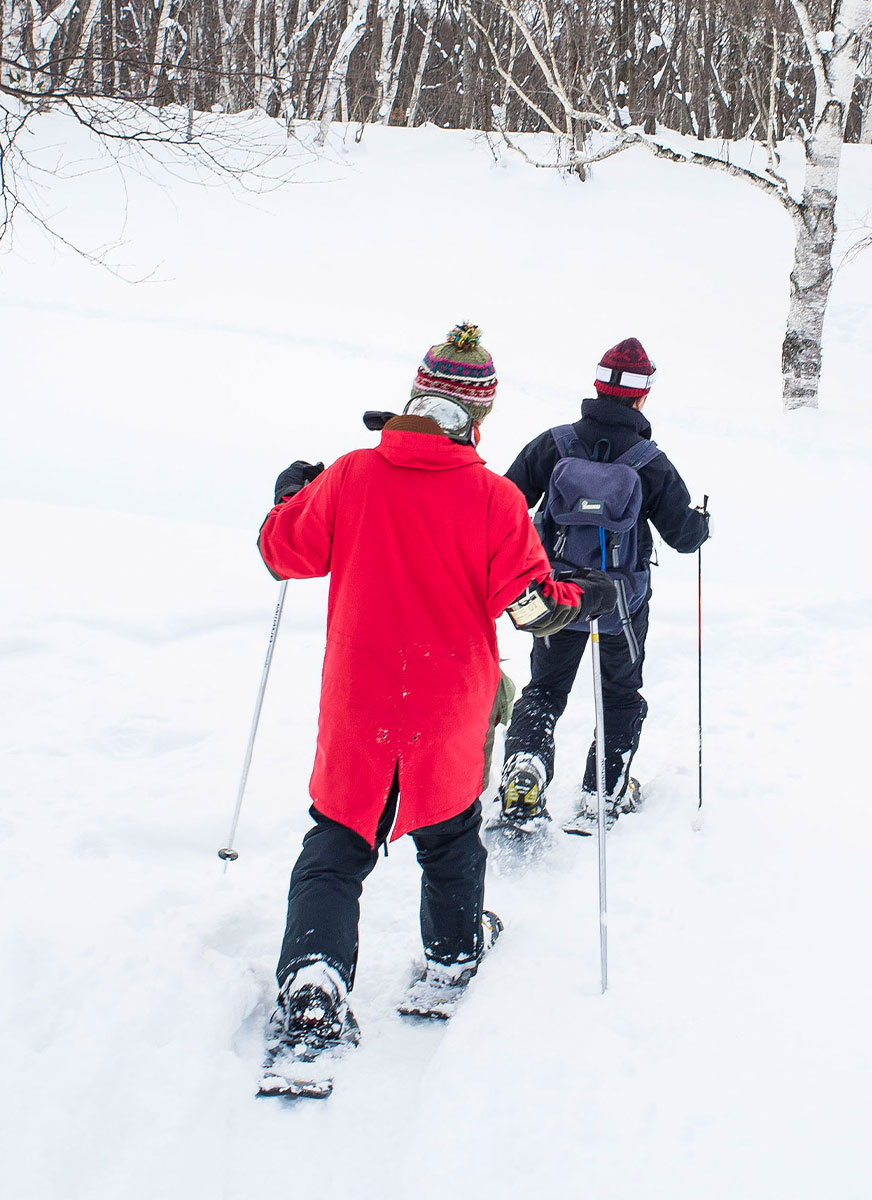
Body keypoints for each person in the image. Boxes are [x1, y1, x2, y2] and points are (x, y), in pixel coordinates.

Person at [255, 323, 609, 1089]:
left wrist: (290, 499)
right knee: (449, 837)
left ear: (414, 396)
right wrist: (579, 596)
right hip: (446, 702)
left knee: (339, 841)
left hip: (359, 699)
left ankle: (314, 979)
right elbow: (528, 610)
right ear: (477, 417)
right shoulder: (491, 498)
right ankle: (451, 957)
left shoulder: (350, 475)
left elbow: (284, 553)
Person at [497, 337, 710, 835]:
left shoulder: (555, 443)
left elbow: (504, 508)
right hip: (620, 601)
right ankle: (603, 792)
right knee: (620, 692)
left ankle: (525, 770)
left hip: (555, 595)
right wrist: (701, 523)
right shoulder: (648, 459)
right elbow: (683, 537)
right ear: (642, 396)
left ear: (596, 386)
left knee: (545, 689)